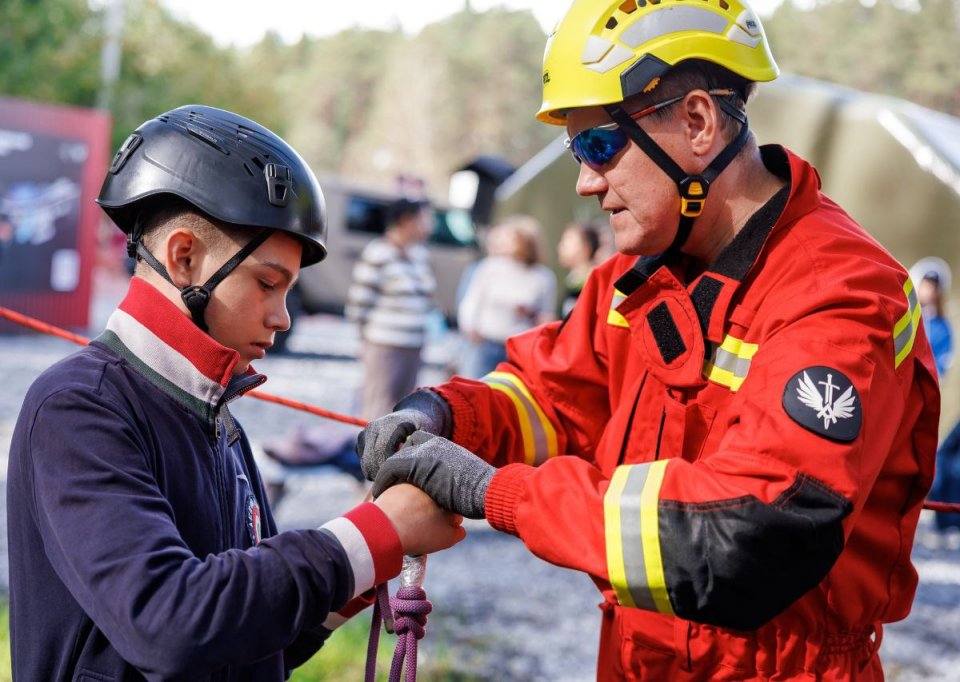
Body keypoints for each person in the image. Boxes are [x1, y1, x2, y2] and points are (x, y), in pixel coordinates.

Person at [357, 0, 940, 679]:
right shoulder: (635, 279)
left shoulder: (838, 294)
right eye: (576, 151)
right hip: (637, 656)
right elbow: (552, 397)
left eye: (599, 146)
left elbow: (746, 538)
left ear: (697, 122)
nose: (585, 181)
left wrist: (495, 492)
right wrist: (446, 415)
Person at [6, 105, 464, 681]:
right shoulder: (77, 408)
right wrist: (374, 534)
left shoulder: (221, 422)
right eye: (268, 283)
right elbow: (167, 624)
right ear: (184, 258)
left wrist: (368, 561)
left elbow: (249, 639)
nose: (283, 317)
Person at [345, 196, 436, 420]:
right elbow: (359, 303)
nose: (429, 226)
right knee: (377, 408)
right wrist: (365, 341)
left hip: (414, 344)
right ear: (407, 221)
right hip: (385, 344)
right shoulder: (378, 253)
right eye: (424, 219)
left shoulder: (419, 254)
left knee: (404, 410)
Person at [456, 215, 557, 378]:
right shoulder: (491, 267)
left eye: (510, 237)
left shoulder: (543, 277)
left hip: (517, 350)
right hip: (485, 344)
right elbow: (472, 300)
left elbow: (547, 316)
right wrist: (469, 327)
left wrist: (531, 313)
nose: (503, 241)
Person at [911, 257, 960, 531]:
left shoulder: (941, 327)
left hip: (926, 393)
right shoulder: (907, 315)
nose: (929, 291)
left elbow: (942, 363)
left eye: (933, 287)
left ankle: (938, 515)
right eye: (925, 284)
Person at [557, 221, 601, 318]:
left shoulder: (594, 283)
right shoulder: (572, 282)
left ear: (586, 249)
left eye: (568, 239)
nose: (561, 246)